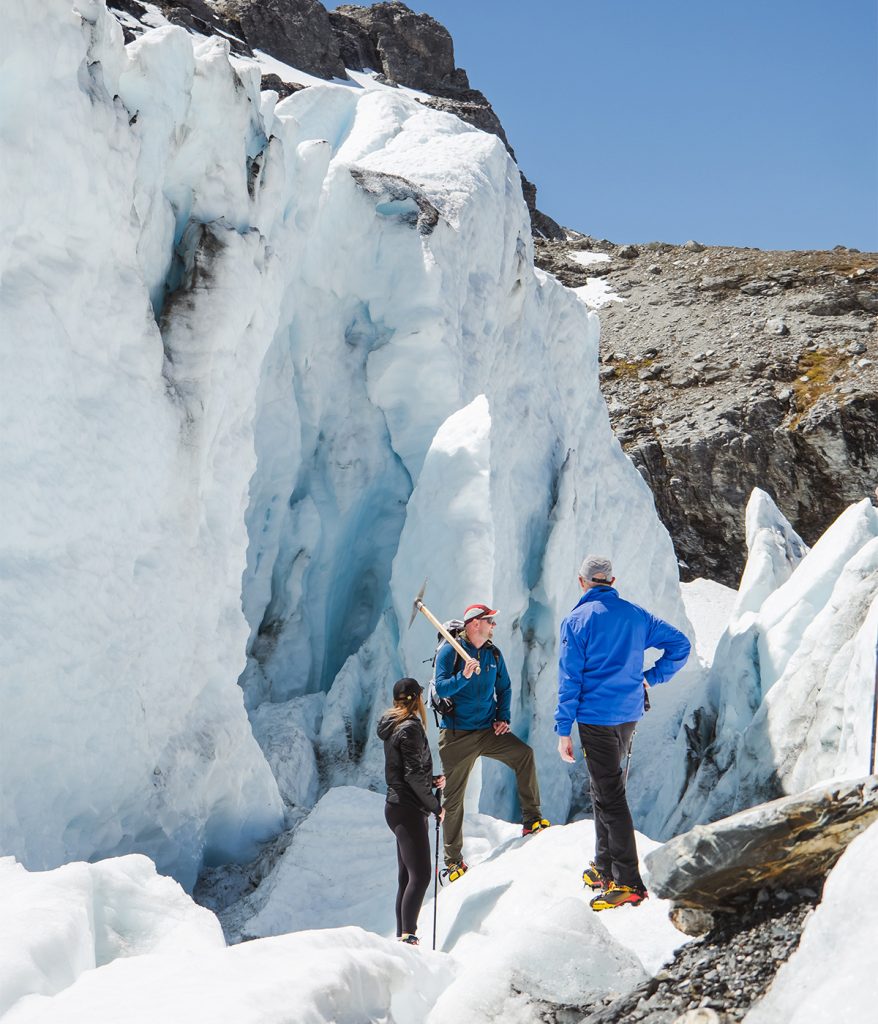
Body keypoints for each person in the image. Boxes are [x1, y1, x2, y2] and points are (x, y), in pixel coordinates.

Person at [555, 556, 691, 911]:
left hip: (595, 718)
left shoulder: (577, 620)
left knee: (610, 794)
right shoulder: (636, 615)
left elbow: (570, 679)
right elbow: (680, 645)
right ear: (612, 580)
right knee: (605, 787)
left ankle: (628, 882)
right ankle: (604, 868)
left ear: (582, 582)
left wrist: (562, 729)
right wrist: (651, 676)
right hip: (627, 715)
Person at [434, 603, 549, 882]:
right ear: (475, 624)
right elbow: (441, 687)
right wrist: (465, 675)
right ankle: (452, 862)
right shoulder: (450, 650)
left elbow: (505, 687)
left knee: (523, 755)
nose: (494, 626)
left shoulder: (492, 654)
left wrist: (503, 717)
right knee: (453, 799)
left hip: (487, 730)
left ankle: (532, 819)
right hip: (456, 735)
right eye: (490, 621)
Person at [377, 677, 445, 946]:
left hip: (396, 807)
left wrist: (431, 780)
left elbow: (407, 772)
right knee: (421, 876)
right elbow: (413, 776)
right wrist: (435, 806)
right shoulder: (411, 728)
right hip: (408, 808)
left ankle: (402, 935)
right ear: (418, 698)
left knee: (407, 876)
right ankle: (408, 936)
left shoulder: (394, 727)